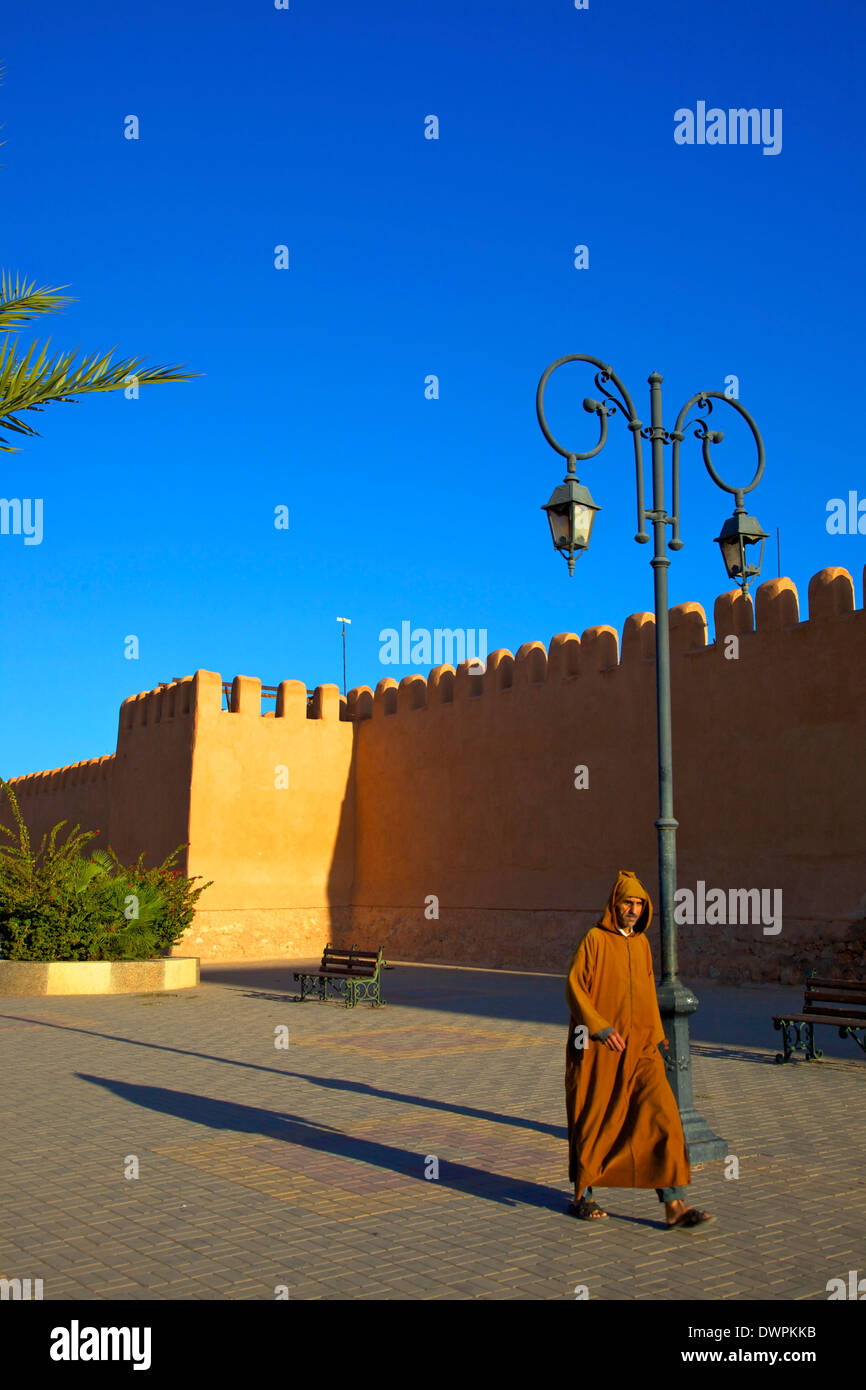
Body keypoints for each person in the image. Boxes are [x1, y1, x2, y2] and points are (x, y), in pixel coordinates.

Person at [564, 869, 713, 1229]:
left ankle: (674, 1204)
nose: (632, 909)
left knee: (662, 1118)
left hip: (641, 1050)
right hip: (600, 1051)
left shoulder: (642, 943)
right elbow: (574, 987)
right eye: (627, 902)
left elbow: (647, 991)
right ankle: (583, 1195)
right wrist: (599, 1027)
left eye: (638, 904)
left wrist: (658, 1035)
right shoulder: (595, 940)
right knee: (595, 1118)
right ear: (614, 905)